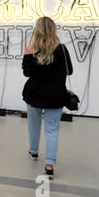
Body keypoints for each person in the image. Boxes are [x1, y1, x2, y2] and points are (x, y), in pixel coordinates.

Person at [22, 16, 73, 179]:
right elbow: (69, 71)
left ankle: (34, 152)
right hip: (56, 96)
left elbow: (27, 72)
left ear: (37, 30)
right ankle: (49, 166)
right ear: (53, 30)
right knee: (52, 130)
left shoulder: (30, 49)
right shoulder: (62, 49)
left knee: (33, 126)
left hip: (34, 95)